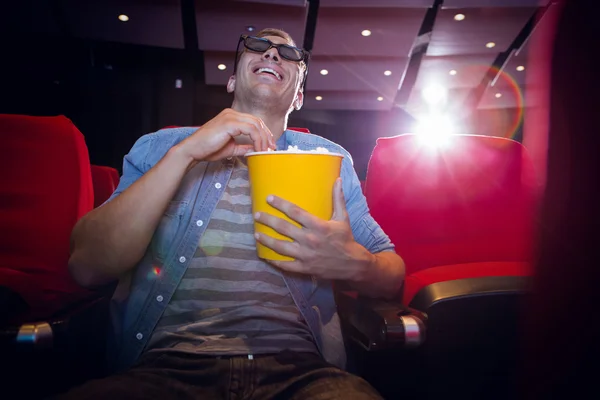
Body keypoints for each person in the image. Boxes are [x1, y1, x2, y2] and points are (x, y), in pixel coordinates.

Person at [62, 28, 405, 399]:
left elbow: (392, 274)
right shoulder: (159, 147)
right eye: (259, 46)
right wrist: (185, 154)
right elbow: (88, 266)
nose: (273, 54)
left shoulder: (328, 159)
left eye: (289, 54)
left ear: (300, 96)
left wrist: (357, 266)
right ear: (230, 80)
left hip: (302, 371)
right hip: (163, 367)